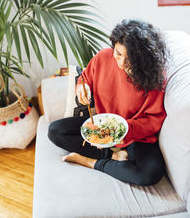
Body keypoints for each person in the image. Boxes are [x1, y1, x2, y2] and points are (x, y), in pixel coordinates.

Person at [48, 19, 168, 186]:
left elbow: (153, 120)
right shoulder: (103, 57)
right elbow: (85, 78)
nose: (121, 63)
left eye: (130, 58)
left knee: (150, 174)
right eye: (118, 53)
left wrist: (120, 133)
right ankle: (113, 156)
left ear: (142, 58)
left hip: (133, 135)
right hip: (101, 125)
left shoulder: (153, 76)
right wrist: (82, 87)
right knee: (55, 131)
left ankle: (90, 161)